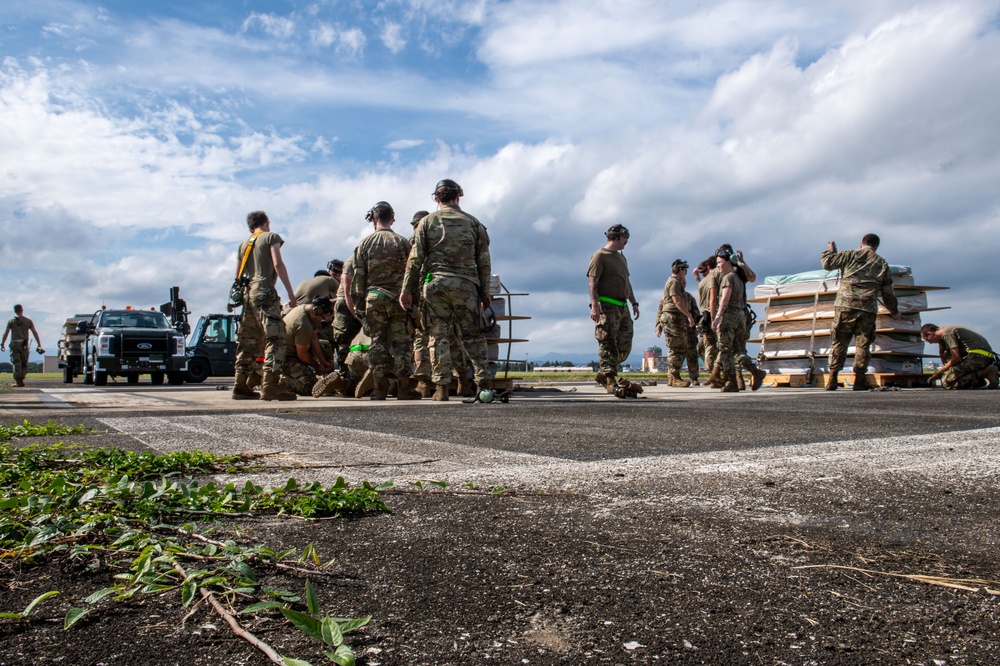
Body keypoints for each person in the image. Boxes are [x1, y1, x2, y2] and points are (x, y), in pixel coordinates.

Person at [400, 179, 492, 401]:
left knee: (437, 335)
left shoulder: (427, 223)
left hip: (435, 284)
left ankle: (441, 388)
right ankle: (483, 385)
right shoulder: (474, 224)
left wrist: (407, 290)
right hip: (466, 284)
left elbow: (415, 259)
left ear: (436, 198)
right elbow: (484, 262)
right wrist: (485, 292)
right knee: (473, 336)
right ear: (458, 196)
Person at [351, 201, 421, 400]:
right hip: (400, 300)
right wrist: (414, 303)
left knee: (377, 343)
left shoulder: (364, 244)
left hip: (374, 298)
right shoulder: (403, 243)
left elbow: (358, 278)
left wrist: (359, 307)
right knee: (403, 344)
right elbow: (413, 274)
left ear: (374, 219)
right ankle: (404, 387)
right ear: (393, 219)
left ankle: (379, 388)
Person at [821, 234, 901, 391]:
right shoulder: (881, 263)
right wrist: (894, 311)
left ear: (861, 244)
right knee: (863, 344)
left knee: (839, 341)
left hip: (846, 305)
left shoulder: (850, 254)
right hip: (867, 308)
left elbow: (827, 264)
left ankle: (832, 378)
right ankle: (859, 379)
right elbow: (887, 292)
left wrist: (830, 251)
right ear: (876, 246)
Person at [232, 210, 297, 401]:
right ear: (267, 222)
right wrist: (291, 295)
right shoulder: (271, 237)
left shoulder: (243, 245)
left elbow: (237, 277)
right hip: (264, 291)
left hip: (247, 294)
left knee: (248, 340)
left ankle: (240, 384)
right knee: (276, 338)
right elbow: (278, 264)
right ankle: (270, 385)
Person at [587, 224, 639, 393]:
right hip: (607, 305)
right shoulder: (599, 256)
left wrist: (634, 302)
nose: (627, 240)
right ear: (616, 237)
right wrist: (594, 306)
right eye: (625, 236)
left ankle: (604, 373)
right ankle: (610, 380)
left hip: (623, 306)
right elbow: (592, 282)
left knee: (625, 345)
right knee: (607, 343)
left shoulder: (621, 257)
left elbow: (627, 282)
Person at [711, 254, 767, 392]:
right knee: (739, 351)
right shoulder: (740, 278)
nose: (717, 265)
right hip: (741, 317)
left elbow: (724, 300)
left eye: (719, 262)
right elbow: (752, 277)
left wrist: (717, 317)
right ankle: (756, 372)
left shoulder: (728, 278)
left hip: (729, 318)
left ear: (728, 262)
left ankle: (732, 381)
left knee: (725, 351)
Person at [278, 298, 336, 396]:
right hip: (286, 357)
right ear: (318, 310)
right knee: (311, 388)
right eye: (322, 317)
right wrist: (316, 366)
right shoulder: (303, 325)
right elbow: (302, 354)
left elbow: (314, 338)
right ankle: (281, 381)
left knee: (325, 345)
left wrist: (322, 361)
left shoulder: (306, 310)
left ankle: (329, 383)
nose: (322, 320)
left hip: (297, 350)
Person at [655, 259, 696, 387]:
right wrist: (688, 315)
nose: (685, 273)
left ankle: (673, 377)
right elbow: (677, 301)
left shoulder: (675, 283)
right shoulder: (674, 283)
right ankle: (675, 376)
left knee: (678, 347)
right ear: (680, 270)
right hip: (673, 318)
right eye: (685, 270)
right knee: (677, 348)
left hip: (675, 318)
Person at [921, 324, 999, 389]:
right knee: (951, 375)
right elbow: (943, 353)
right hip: (979, 355)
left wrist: (939, 372)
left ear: (930, 334)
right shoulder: (945, 333)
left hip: (977, 357)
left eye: (927, 340)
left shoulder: (947, 333)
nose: (930, 343)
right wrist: (948, 370)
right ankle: (978, 378)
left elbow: (956, 358)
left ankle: (986, 372)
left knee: (947, 383)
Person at [331, 255, 362, 395]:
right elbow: (346, 288)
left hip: (358, 301)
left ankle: (354, 380)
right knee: (344, 342)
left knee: (358, 344)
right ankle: (344, 382)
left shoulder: (362, 259)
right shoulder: (353, 260)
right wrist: (354, 312)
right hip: (346, 303)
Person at [2, 305, 43, 387]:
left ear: (15, 311)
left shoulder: (11, 321)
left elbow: (6, 333)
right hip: (24, 345)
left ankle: (18, 381)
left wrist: (2, 343)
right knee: (24, 362)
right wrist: (39, 344)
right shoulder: (28, 321)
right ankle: (21, 379)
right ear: (22, 310)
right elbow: (35, 333)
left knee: (16, 362)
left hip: (14, 344)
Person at [694, 258, 718, 384]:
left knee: (709, 346)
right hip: (707, 316)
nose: (702, 273)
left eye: (703, 271)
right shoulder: (709, 280)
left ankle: (713, 373)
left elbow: (711, 298)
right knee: (704, 346)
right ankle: (713, 372)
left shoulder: (707, 281)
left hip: (709, 315)